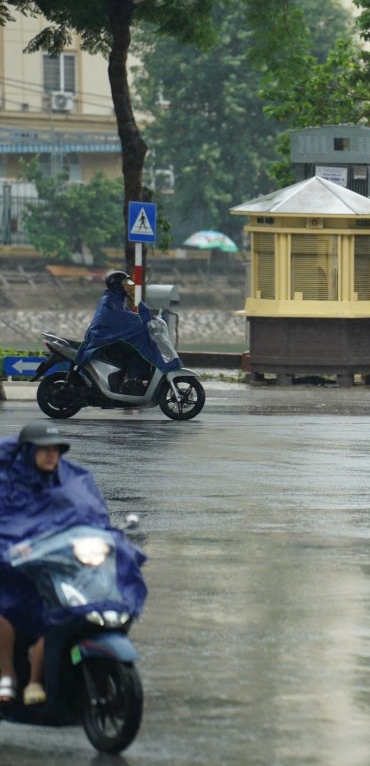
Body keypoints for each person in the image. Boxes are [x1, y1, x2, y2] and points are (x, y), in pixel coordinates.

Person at [0, 421, 147, 706]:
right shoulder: (6, 481)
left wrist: (110, 534)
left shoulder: (73, 480)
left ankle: (41, 679)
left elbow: (92, 514)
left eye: (56, 450)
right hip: (11, 563)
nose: (51, 455)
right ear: (28, 451)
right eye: (43, 450)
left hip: (54, 562)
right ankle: (7, 673)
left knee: (71, 605)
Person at [76, 270, 180, 394]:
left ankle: (133, 381)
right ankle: (132, 383)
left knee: (136, 349)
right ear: (117, 285)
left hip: (107, 342)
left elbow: (128, 318)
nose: (129, 287)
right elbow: (130, 319)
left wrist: (139, 307)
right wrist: (139, 309)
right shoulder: (111, 303)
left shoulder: (113, 299)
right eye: (125, 284)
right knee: (137, 353)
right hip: (101, 346)